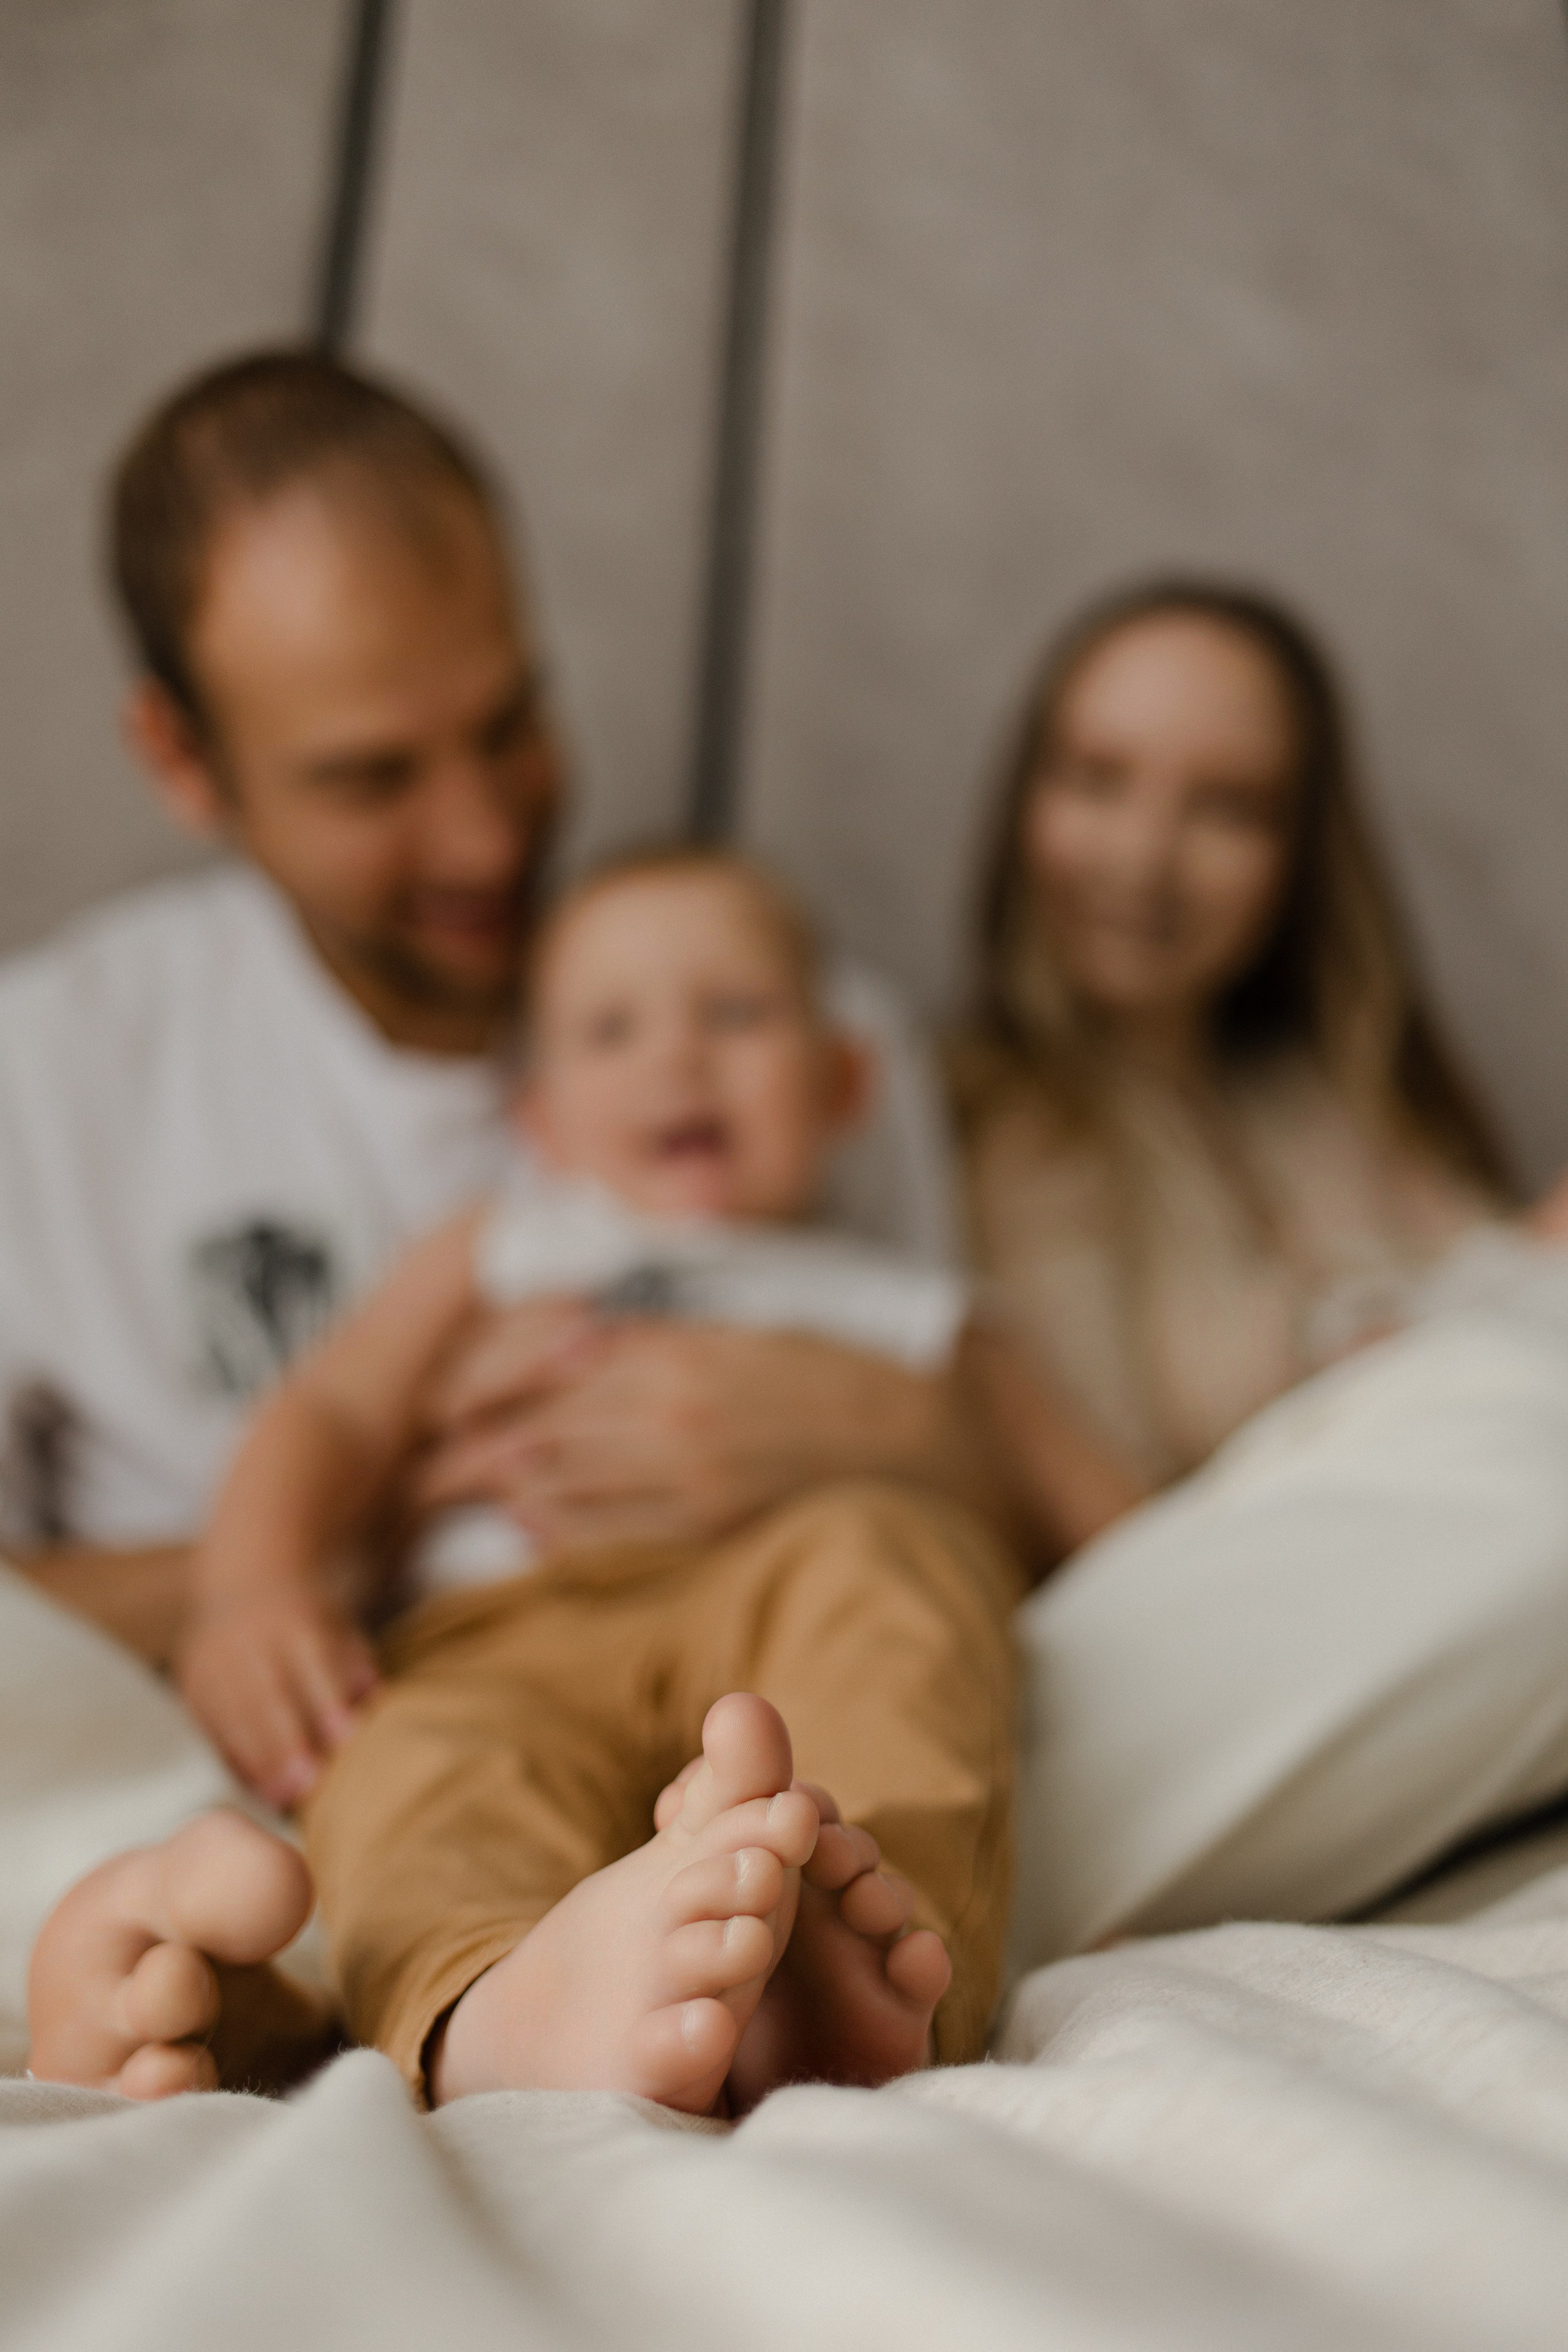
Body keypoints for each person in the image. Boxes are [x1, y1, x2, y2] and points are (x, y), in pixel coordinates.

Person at [0, 349, 1118, 1673]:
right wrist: (342, 1544)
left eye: (509, 724)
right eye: (372, 780)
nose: (483, 839)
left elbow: (1049, 1535)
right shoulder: (49, 1073)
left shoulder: (793, 1034)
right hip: (328, 1754)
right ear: (182, 760)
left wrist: (921, 1447)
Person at [31, 848, 1033, 2110]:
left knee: (895, 1594)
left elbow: (1131, 1527)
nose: (676, 1059)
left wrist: (953, 1474)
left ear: (844, 1083)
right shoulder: (500, 1244)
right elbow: (333, 1410)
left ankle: (856, 1944)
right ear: (541, 1123)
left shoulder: (918, 1313)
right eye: (611, 1030)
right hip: (490, 1635)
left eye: (735, 1012)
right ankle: (499, 2003)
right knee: (420, 1772)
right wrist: (254, 1591)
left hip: (789, 1591)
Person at [955, 578, 1512, 1489]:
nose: (1144, 859)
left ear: (1299, 855)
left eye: (1227, 808)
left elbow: (1515, 1286)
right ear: (1026, 799)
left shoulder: (1331, 1094)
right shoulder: (993, 1136)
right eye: (1097, 779)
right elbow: (1108, 1507)